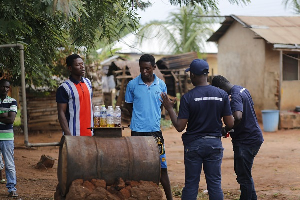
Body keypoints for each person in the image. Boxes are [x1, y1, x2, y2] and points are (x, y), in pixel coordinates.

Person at [160, 59, 234, 200]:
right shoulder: (222, 95)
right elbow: (230, 123)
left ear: (193, 75)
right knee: (215, 184)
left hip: (194, 146)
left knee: (191, 185)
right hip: (214, 145)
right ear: (206, 74)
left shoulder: (188, 97)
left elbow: (180, 127)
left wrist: (169, 108)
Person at [124, 54, 173, 200]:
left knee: (162, 167)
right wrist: (139, 119)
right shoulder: (132, 85)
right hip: (137, 133)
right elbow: (128, 106)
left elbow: (162, 105)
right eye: (142, 68)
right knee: (137, 167)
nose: (144, 71)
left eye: (147, 68)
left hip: (155, 133)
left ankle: (170, 198)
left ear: (154, 68)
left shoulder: (161, 85)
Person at [211, 75, 264, 200]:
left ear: (220, 88)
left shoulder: (234, 96)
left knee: (243, 176)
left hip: (246, 140)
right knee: (245, 174)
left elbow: (238, 117)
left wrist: (226, 129)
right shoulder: (241, 89)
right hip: (253, 136)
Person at [56, 54, 93, 136]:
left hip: (90, 133)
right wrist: (68, 135)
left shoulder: (88, 83)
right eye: (78, 65)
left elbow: (90, 104)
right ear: (70, 68)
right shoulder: (64, 88)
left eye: (82, 64)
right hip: (74, 134)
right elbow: (61, 112)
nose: (82, 67)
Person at [0, 79, 18, 197]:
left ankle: (12, 188)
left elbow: (11, 120)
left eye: (7, 87)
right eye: (3, 87)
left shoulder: (13, 101)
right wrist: (3, 116)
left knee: (9, 164)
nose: (5, 89)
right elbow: (6, 118)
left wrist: (6, 117)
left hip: (7, 137)